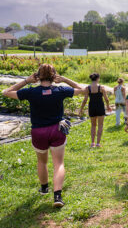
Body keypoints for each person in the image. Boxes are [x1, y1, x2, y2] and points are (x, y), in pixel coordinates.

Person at [1, 64, 83, 208]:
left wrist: (26, 81)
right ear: (54, 76)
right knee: (59, 164)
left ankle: (44, 188)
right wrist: (64, 79)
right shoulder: (60, 90)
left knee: (42, 162)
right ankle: (57, 196)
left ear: (37, 77)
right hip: (57, 129)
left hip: (38, 131)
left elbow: (5, 92)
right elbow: (82, 90)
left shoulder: (31, 92)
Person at [79, 73, 111, 148]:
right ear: (98, 79)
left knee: (93, 125)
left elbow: (85, 100)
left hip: (92, 107)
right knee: (100, 125)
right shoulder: (101, 87)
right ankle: (98, 143)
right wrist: (108, 106)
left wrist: (81, 109)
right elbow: (106, 99)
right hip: (100, 106)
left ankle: (92, 143)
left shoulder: (88, 88)